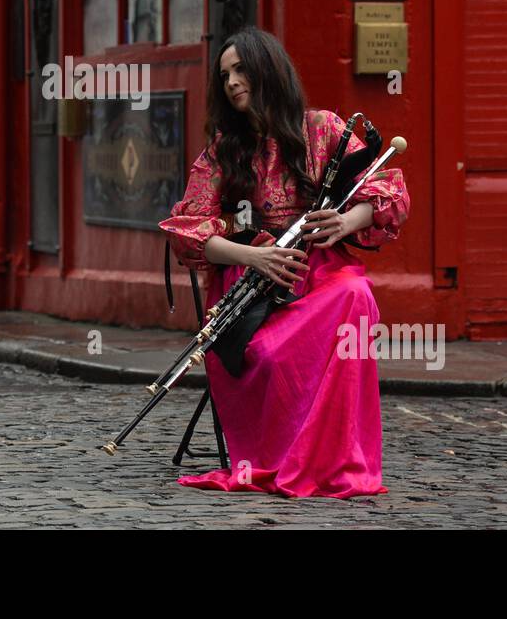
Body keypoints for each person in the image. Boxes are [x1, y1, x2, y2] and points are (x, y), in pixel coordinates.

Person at [158, 25, 409, 498]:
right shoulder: (223, 151)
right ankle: (282, 456)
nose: (231, 82)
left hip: (320, 269)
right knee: (269, 354)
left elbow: (386, 189)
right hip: (252, 282)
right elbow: (190, 229)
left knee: (355, 295)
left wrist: (346, 222)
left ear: (267, 70)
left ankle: (335, 460)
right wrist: (254, 255)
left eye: (240, 70)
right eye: (224, 75)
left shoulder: (324, 129)